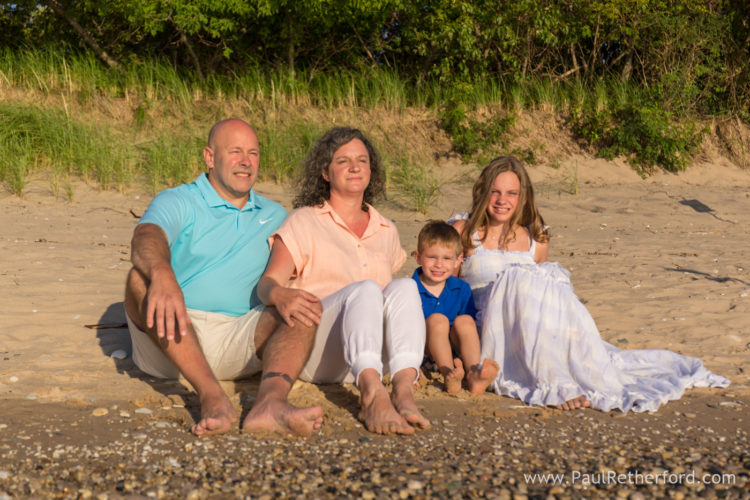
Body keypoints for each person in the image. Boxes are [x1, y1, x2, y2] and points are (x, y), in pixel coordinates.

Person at [451, 156, 730, 412]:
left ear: (523, 198)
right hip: (487, 330)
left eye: (511, 193)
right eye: (495, 192)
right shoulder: (464, 232)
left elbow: (544, 300)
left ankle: (558, 375)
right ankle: (554, 383)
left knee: (543, 280)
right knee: (518, 279)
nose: (502, 200)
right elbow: (447, 289)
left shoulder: (536, 239)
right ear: (483, 192)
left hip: (531, 332)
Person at [124, 118, 323, 436]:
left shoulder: (275, 215)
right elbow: (146, 236)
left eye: (253, 153)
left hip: (240, 337)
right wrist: (162, 274)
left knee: (303, 306)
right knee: (138, 278)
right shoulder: (180, 200)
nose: (246, 161)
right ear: (210, 157)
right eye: (235, 152)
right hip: (172, 336)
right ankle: (211, 396)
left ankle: (271, 404)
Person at [258, 127, 430, 435]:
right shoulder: (303, 220)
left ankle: (403, 391)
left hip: (373, 355)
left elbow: (391, 302)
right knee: (366, 289)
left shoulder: (386, 229)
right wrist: (281, 295)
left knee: (405, 286)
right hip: (319, 352)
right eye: (343, 161)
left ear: (371, 170)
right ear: (325, 172)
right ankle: (372, 396)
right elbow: (267, 283)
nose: (354, 167)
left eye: (362, 160)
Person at [411, 220, 498, 393]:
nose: (439, 264)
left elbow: (469, 330)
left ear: (458, 260)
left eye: (446, 258)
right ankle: (449, 375)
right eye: (432, 257)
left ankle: (473, 372)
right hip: (426, 352)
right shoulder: (410, 288)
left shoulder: (461, 288)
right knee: (437, 320)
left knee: (465, 320)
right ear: (418, 257)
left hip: (456, 352)